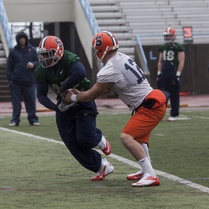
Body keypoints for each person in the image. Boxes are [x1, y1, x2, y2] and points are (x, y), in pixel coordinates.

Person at [65, 31, 168, 187]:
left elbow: (91, 95)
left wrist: (73, 97)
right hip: (150, 102)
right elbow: (109, 88)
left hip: (149, 107)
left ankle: (150, 174)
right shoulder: (122, 58)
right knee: (139, 139)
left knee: (126, 137)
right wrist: (84, 94)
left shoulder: (109, 68)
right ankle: (144, 170)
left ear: (101, 49)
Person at [35, 35, 113, 181]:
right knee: (71, 142)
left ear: (58, 52)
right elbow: (41, 95)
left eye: (47, 54)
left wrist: (63, 89)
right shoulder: (41, 70)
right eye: (42, 54)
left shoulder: (68, 58)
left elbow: (80, 73)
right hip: (64, 105)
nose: (44, 58)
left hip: (82, 100)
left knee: (85, 139)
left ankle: (99, 139)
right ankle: (102, 166)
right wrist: (56, 108)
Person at [6, 31, 39, 127]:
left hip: (29, 81)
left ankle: (33, 119)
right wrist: (10, 80)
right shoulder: (13, 51)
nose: (22, 40)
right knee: (16, 104)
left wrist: (33, 65)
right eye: (20, 38)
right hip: (16, 82)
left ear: (26, 39)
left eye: (24, 38)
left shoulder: (32, 50)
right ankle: (15, 120)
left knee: (31, 102)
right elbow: (9, 67)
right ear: (17, 39)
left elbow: (38, 61)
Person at [157, 27, 185, 121]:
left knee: (174, 95)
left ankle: (174, 114)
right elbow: (160, 61)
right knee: (161, 95)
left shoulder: (178, 47)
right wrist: (159, 73)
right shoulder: (163, 47)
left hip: (173, 72)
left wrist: (178, 74)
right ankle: (160, 114)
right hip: (164, 72)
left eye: (169, 35)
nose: (168, 37)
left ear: (174, 36)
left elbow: (181, 61)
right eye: (167, 35)